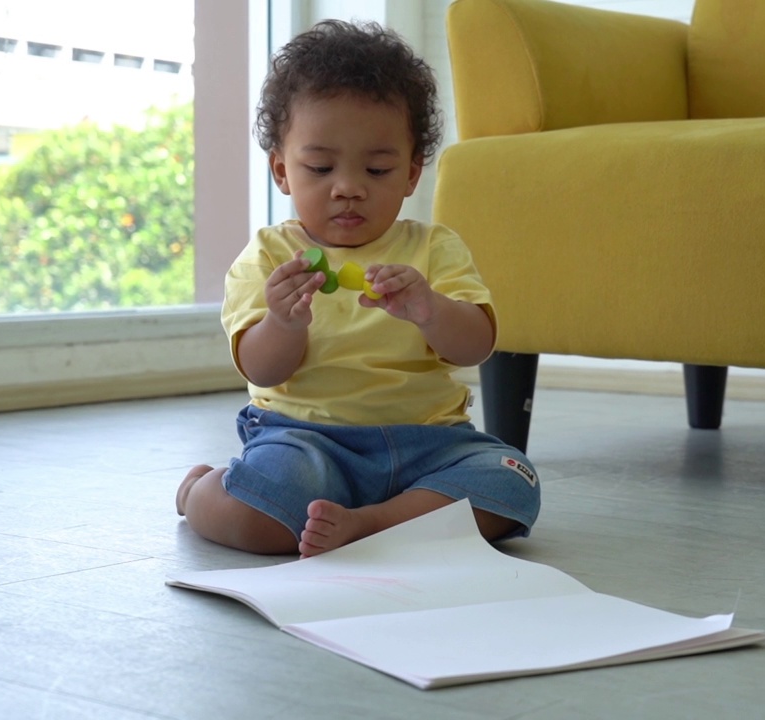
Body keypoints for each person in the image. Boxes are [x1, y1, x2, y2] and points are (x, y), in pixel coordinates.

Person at [177, 19, 540, 557]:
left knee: (513, 481)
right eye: (320, 167)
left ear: (412, 174)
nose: (348, 188)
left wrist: (429, 309)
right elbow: (262, 369)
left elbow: (477, 345)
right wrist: (283, 322)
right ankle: (198, 492)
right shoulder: (270, 257)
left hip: (432, 443)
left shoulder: (434, 249)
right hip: (306, 440)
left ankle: (371, 523)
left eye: (377, 168)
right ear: (282, 171)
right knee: (260, 513)